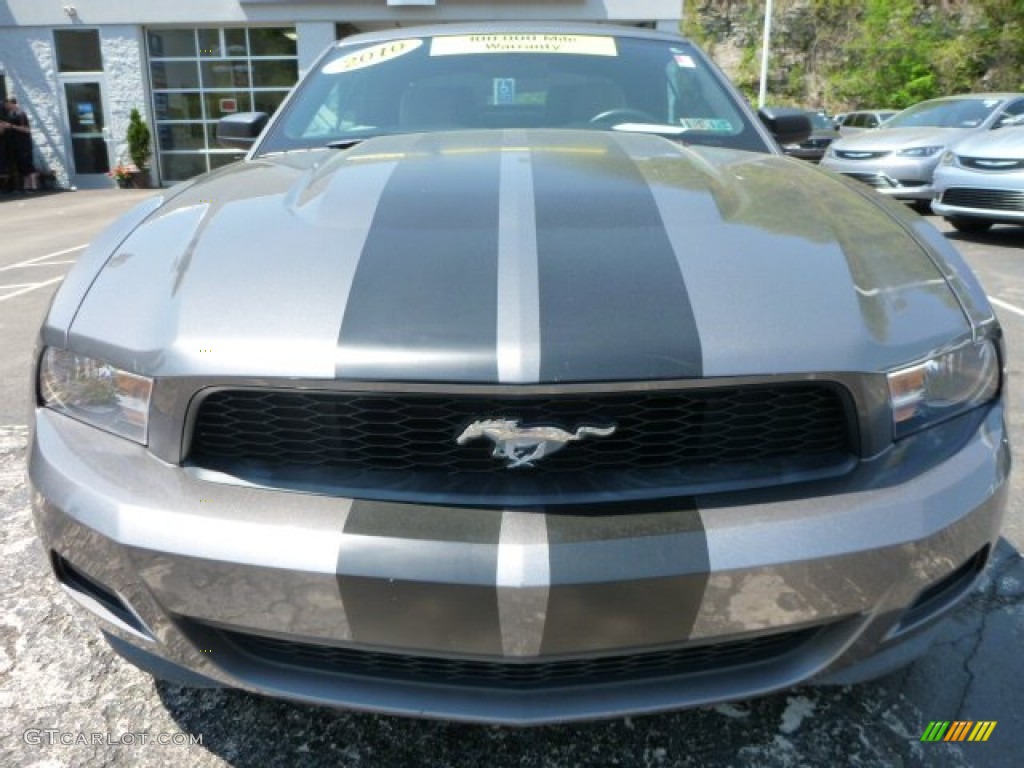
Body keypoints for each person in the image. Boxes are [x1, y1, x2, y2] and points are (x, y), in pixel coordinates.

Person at [1, 97, 40, 192]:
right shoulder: (10, 115)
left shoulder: (21, 114)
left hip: (24, 144)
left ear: (12, 103)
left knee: (28, 165)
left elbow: (26, 129)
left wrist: (11, 126)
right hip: (15, 144)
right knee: (21, 166)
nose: (5, 106)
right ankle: (26, 187)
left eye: (7, 104)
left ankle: (34, 187)